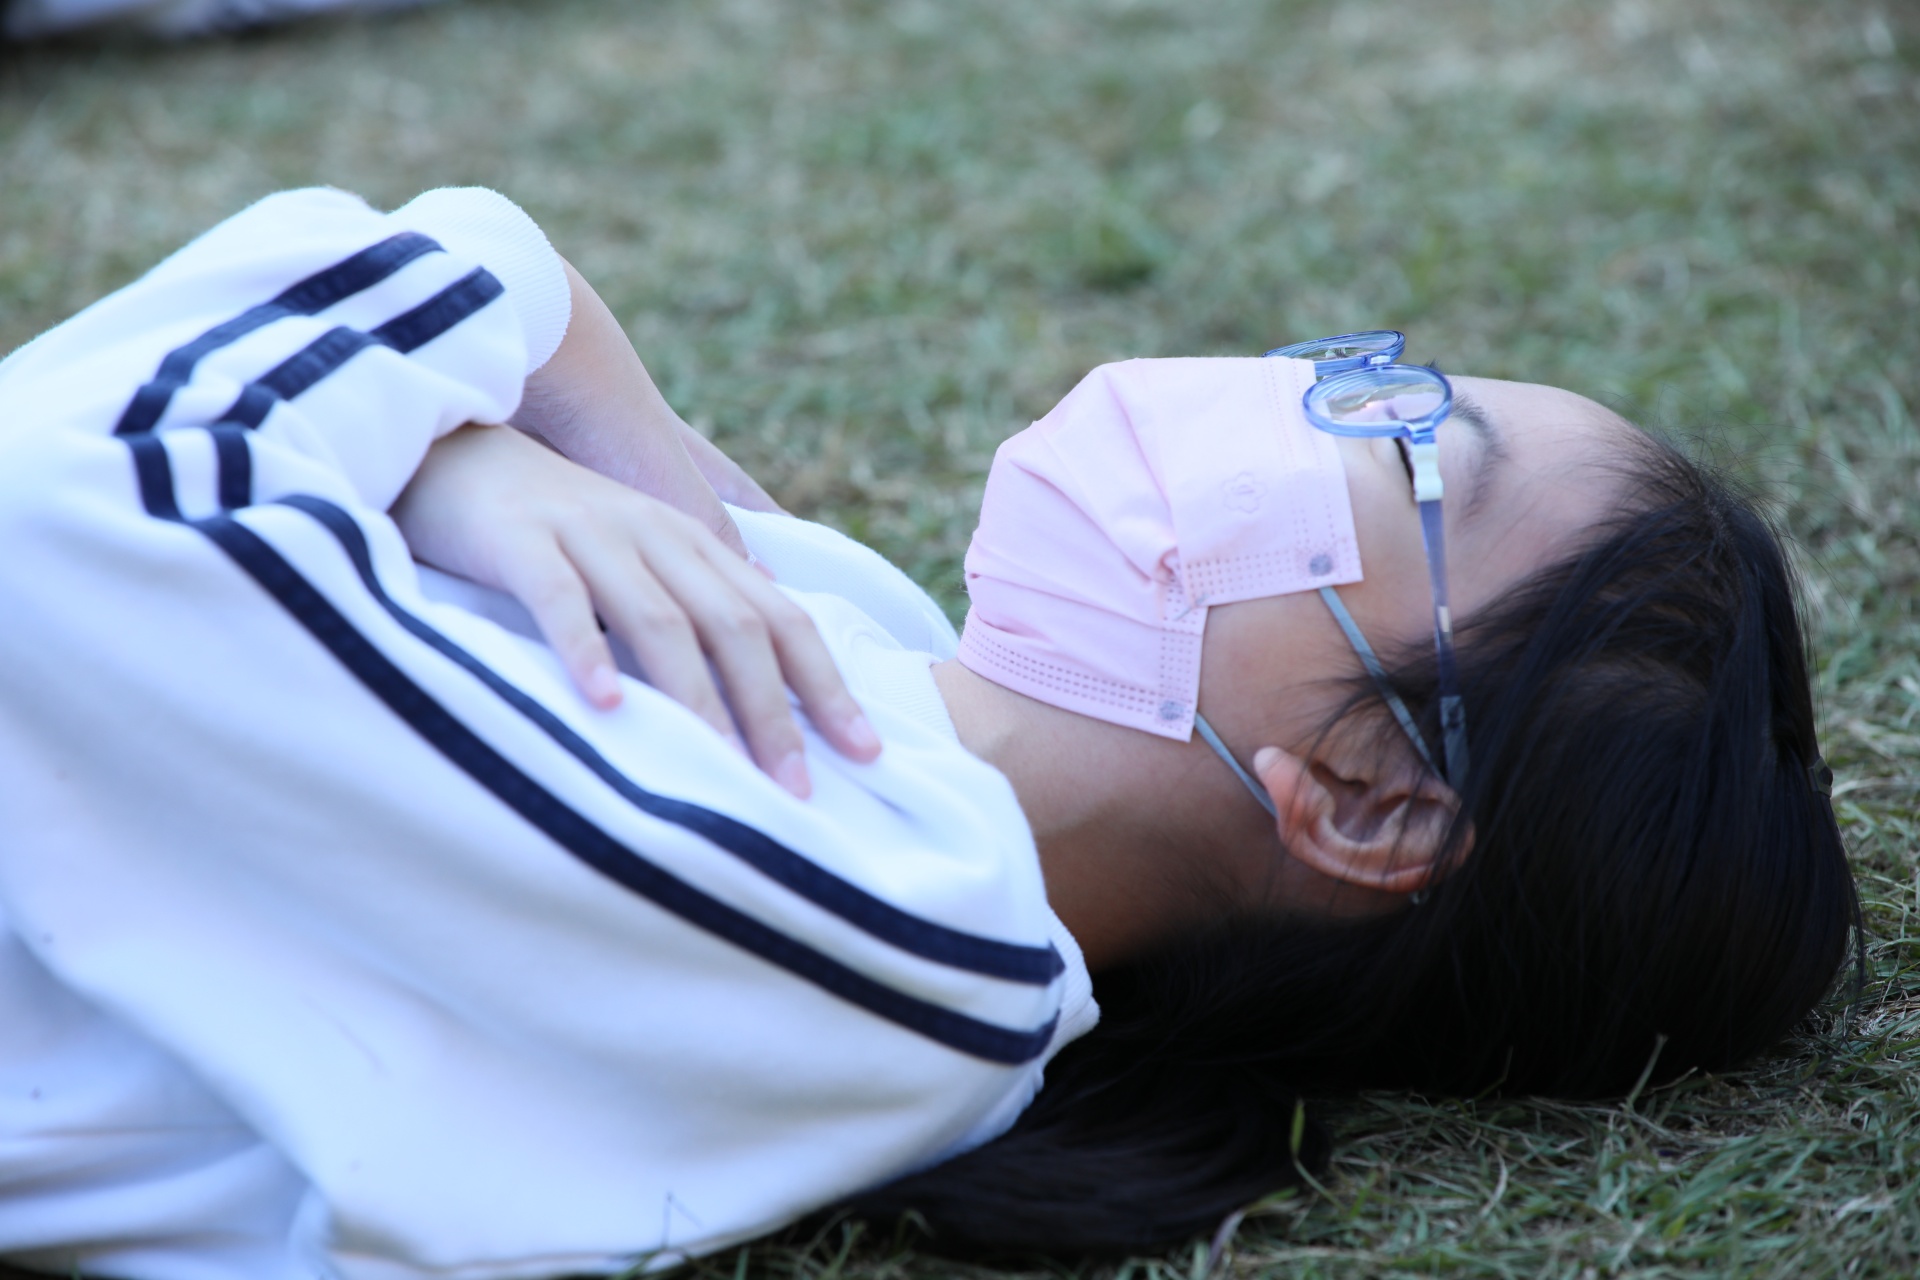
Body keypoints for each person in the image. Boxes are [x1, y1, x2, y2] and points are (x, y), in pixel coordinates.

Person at [0, 186, 1855, 1279]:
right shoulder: (866, 661)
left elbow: (77, 508)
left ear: (1374, 801)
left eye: (1408, 443)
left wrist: (514, 343)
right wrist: (465, 446)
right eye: (1374, 368)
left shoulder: (869, 907)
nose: (1304, 383)